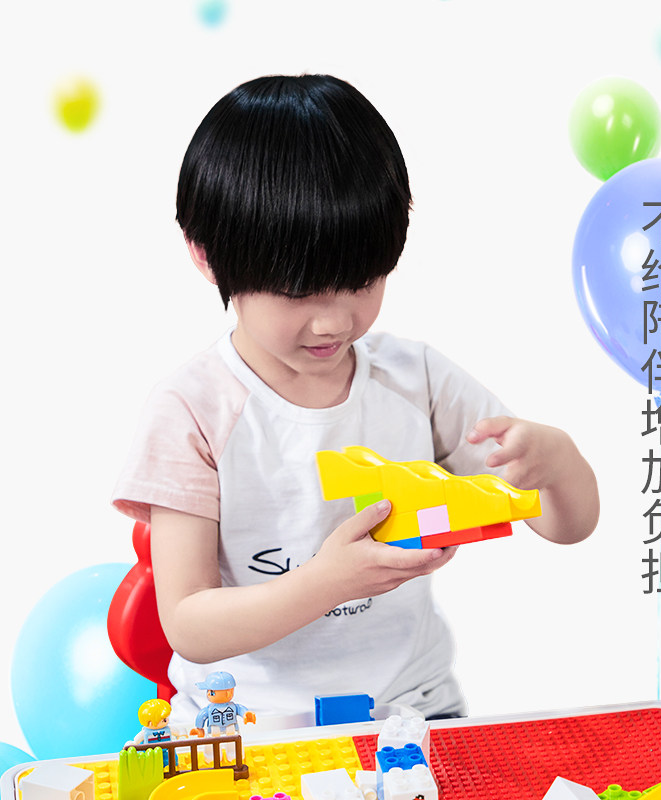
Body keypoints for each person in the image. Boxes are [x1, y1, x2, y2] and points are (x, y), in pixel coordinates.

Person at [113, 74, 599, 724]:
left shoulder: (416, 379)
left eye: (363, 282)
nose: (334, 322)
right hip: (246, 726)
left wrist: (558, 463)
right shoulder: (193, 409)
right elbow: (189, 623)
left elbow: (564, 527)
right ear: (206, 256)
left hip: (412, 715)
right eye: (298, 292)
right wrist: (325, 583)